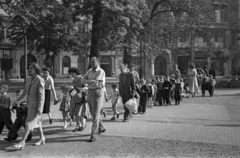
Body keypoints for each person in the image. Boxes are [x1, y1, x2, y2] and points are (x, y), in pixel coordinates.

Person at [12, 62, 45, 150]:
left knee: (28, 123)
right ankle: (42, 138)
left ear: (36, 69)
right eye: (29, 68)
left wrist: (40, 108)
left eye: (31, 68)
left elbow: (42, 96)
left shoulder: (40, 80)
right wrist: (16, 102)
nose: (29, 70)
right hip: (29, 105)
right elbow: (24, 93)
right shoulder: (28, 79)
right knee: (37, 122)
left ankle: (22, 142)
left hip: (36, 106)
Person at [82, 57, 106, 142]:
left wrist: (89, 81)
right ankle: (101, 127)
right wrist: (90, 81)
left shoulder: (101, 71)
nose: (91, 63)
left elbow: (97, 82)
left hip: (98, 93)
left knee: (95, 114)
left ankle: (94, 134)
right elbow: (82, 80)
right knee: (92, 112)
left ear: (98, 62)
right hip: (90, 92)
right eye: (90, 62)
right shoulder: (89, 71)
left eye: (93, 62)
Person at [68, 67, 87, 132]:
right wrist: (71, 89)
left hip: (81, 98)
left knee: (79, 113)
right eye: (71, 74)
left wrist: (79, 89)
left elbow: (86, 86)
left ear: (76, 72)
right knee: (76, 113)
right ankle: (78, 125)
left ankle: (82, 124)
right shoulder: (73, 80)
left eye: (72, 73)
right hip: (75, 98)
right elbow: (74, 88)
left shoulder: (81, 79)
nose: (72, 75)